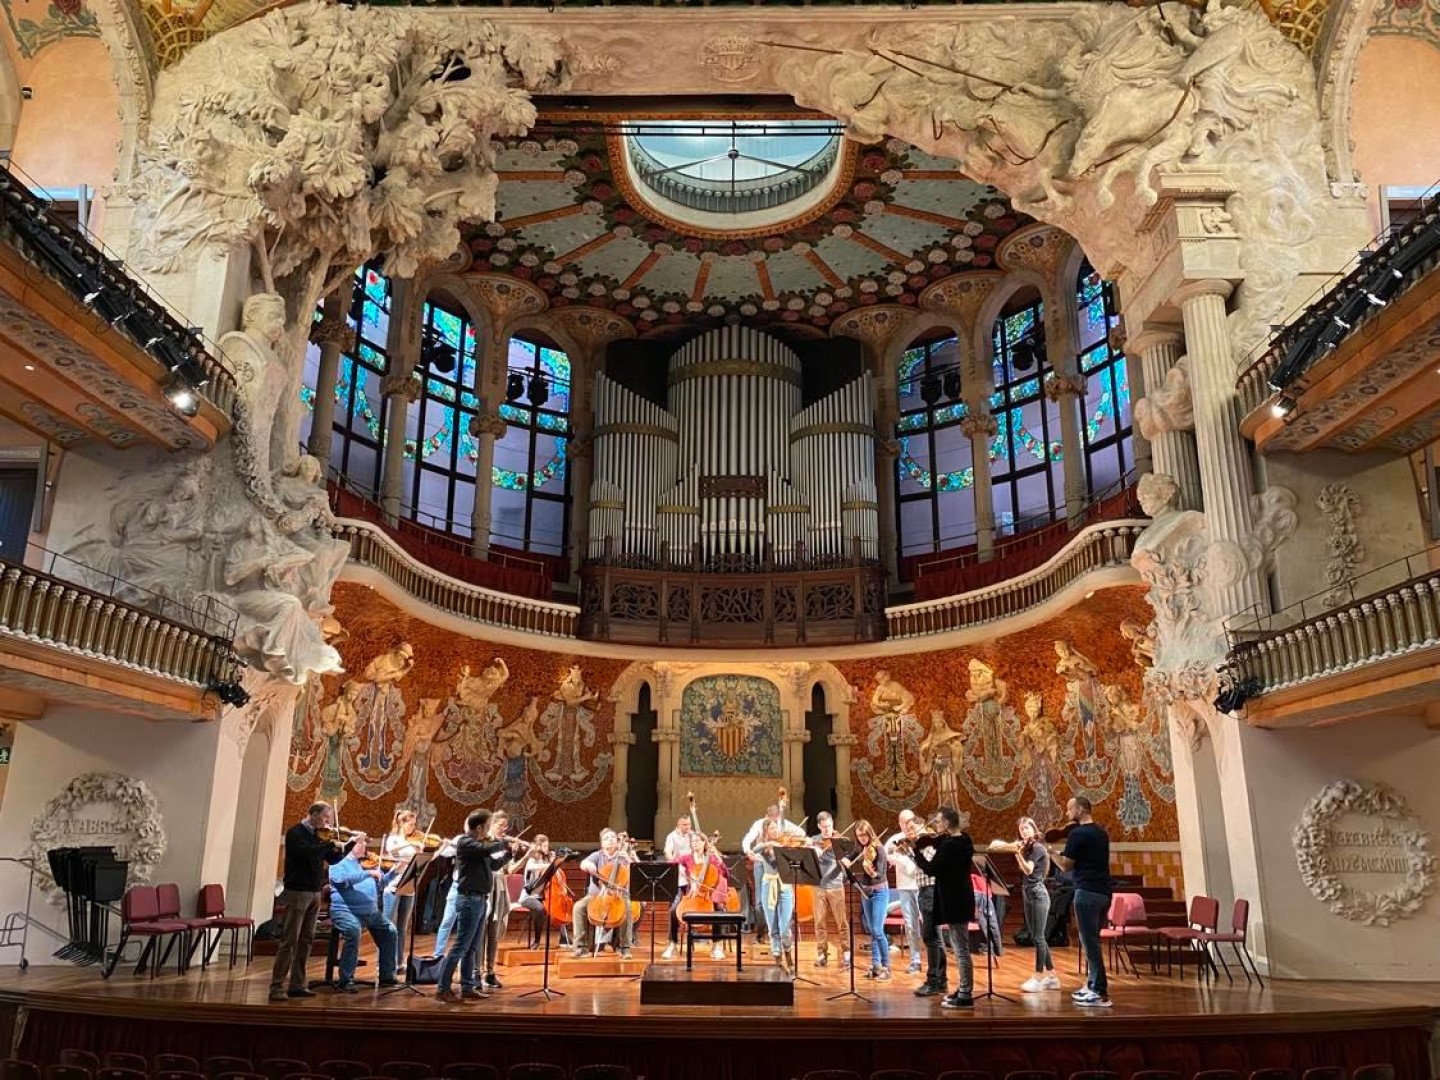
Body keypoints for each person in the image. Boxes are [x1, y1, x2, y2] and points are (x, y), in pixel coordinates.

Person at [269, 802, 359, 1002]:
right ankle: (277, 986)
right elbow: (306, 853)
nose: (327, 822)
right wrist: (329, 844)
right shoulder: (296, 833)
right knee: (290, 940)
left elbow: (332, 859)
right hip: (298, 892)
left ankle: (297, 984)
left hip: (314, 891)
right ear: (314, 814)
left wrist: (349, 845)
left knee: (307, 940)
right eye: (325, 817)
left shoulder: (320, 836)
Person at [436, 808, 512, 1003]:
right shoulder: (466, 842)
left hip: (480, 899)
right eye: (488, 825)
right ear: (479, 827)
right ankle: (443, 988)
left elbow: (493, 866)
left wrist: (509, 853)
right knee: (461, 946)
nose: (489, 830)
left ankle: (467, 987)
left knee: (472, 948)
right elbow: (486, 850)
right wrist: (503, 843)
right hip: (469, 900)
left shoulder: (479, 846)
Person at [913, 806, 975, 1010]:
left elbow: (931, 869)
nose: (936, 825)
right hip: (962, 896)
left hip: (955, 899)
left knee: (961, 949)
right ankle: (963, 987)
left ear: (947, 823)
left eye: (938, 821)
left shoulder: (949, 845)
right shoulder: (964, 839)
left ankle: (965, 994)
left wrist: (915, 853)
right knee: (959, 947)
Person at [1057, 795, 1113, 1008]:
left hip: (1086, 892)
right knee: (1092, 940)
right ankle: (1091, 984)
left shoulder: (1077, 834)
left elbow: (1065, 866)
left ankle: (1099, 990)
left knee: (1089, 942)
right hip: (1104, 892)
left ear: (1080, 809)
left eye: (1069, 808)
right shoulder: (1101, 833)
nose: (1067, 812)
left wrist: (1052, 854)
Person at [327, 837, 398, 992]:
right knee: (353, 931)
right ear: (351, 845)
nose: (365, 847)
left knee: (390, 931)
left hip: (370, 912)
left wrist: (395, 871)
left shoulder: (364, 864)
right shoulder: (338, 863)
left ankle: (387, 975)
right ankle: (346, 979)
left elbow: (381, 884)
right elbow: (341, 881)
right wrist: (368, 873)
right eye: (361, 843)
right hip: (345, 910)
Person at [741, 802, 803, 944]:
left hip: (779, 864)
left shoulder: (783, 823)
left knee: (782, 899)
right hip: (761, 863)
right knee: (760, 903)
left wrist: (788, 838)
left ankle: (780, 933)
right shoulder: (759, 824)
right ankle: (761, 932)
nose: (775, 821)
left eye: (777, 817)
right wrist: (748, 851)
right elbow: (748, 839)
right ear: (767, 816)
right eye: (772, 818)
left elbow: (801, 832)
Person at [571, 829, 635, 959]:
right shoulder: (597, 855)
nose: (610, 840)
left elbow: (635, 872)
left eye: (612, 837)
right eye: (606, 838)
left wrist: (628, 860)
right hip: (596, 896)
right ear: (601, 843)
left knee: (628, 907)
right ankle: (581, 947)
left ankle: (625, 947)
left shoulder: (622, 857)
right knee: (578, 907)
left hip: (618, 896)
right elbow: (584, 863)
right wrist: (588, 866)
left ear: (617, 841)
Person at [842, 819, 891, 980]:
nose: (862, 838)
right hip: (866, 892)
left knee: (877, 930)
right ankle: (876, 965)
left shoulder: (879, 849)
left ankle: (886, 967)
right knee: (871, 929)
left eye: (864, 835)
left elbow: (881, 873)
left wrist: (872, 872)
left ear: (869, 833)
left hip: (879, 892)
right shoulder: (860, 848)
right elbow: (850, 857)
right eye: (859, 836)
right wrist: (845, 861)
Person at [1015, 816, 1060, 993]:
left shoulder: (1037, 848)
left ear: (1034, 829)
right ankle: (1053, 977)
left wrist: (1017, 853)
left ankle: (1038, 976)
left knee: (1039, 937)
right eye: (1021, 829)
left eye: (1027, 828)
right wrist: (1019, 853)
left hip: (1038, 893)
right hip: (1027, 892)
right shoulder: (1027, 849)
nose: (1024, 831)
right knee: (1035, 936)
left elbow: (1029, 870)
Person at [477, 810, 517, 990]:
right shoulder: (485, 843)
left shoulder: (502, 844)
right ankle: (477, 972)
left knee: (493, 932)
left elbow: (507, 869)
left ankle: (490, 971)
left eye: (506, 826)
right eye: (501, 825)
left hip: (500, 886)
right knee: (481, 932)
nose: (504, 829)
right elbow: (491, 864)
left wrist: (513, 853)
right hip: (487, 886)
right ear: (491, 825)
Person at [676, 832, 730, 961]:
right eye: (693, 841)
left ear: (705, 843)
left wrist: (718, 857)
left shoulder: (711, 858)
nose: (695, 843)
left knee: (718, 910)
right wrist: (683, 873)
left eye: (698, 841)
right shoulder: (686, 857)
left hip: (708, 894)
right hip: (692, 893)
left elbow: (726, 874)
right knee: (673, 911)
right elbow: (674, 864)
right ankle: (671, 944)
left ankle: (716, 946)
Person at [382, 808, 424, 973]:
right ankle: (384, 964)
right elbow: (392, 851)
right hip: (393, 886)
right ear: (401, 823)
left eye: (414, 824)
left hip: (408, 886)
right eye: (410, 824)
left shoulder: (412, 841)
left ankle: (399, 963)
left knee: (402, 928)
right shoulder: (393, 839)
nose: (413, 827)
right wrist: (411, 844)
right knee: (389, 927)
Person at [753, 819, 797, 973]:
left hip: (784, 885)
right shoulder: (764, 847)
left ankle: (788, 953)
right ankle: (777, 956)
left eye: (776, 828)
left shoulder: (784, 844)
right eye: (772, 828)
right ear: (766, 831)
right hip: (769, 884)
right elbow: (756, 850)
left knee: (785, 925)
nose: (775, 830)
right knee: (773, 925)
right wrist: (769, 844)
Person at [809, 812, 850, 970]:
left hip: (836, 886)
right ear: (819, 826)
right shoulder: (815, 840)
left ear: (833, 824)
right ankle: (822, 954)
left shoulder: (840, 840)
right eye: (824, 827)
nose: (827, 830)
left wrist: (842, 855)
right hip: (818, 886)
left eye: (829, 826)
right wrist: (814, 852)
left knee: (842, 922)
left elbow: (847, 859)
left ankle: (846, 953)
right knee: (819, 922)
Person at [886, 810, 924, 975]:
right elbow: (886, 854)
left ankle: (936, 961)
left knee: (928, 924)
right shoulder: (895, 840)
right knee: (910, 924)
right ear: (900, 823)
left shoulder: (922, 838)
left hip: (923, 886)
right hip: (905, 887)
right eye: (904, 823)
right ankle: (915, 960)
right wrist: (894, 857)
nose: (908, 826)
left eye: (910, 822)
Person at [661, 813, 693, 960]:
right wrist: (675, 863)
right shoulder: (671, 836)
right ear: (678, 825)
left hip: (693, 879)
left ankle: (695, 937)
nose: (687, 827)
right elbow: (667, 852)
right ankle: (672, 943)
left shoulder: (693, 836)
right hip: (678, 878)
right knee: (673, 910)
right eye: (684, 825)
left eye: (689, 824)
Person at [517, 834, 555, 949]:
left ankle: (563, 936)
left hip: (541, 895)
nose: (547, 849)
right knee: (540, 908)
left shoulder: (546, 858)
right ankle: (537, 940)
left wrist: (553, 860)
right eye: (544, 846)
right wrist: (548, 865)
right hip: (528, 896)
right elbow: (531, 867)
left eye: (547, 846)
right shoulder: (532, 859)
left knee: (554, 907)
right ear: (538, 846)